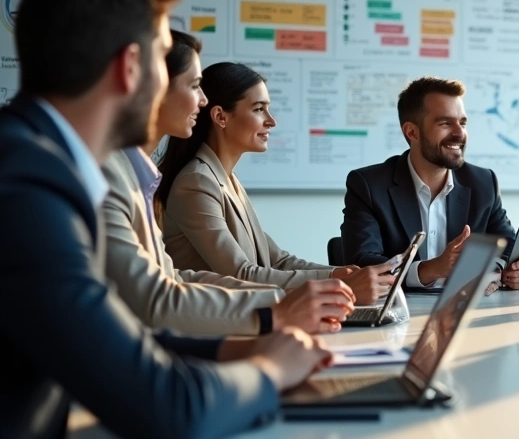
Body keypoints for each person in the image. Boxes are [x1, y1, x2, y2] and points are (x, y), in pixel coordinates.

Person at [0, 0, 330, 438]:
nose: (197, 96)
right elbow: (170, 410)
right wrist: (272, 371)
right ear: (129, 67)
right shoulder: (26, 187)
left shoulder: (37, 160)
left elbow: (116, 335)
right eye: (161, 55)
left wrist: (233, 349)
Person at [101, 30, 356, 335]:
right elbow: (233, 274)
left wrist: (338, 279)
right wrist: (282, 307)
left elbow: (270, 260)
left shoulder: (222, 178)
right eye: (195, 87)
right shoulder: (188, 180)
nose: (203, 100)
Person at [158, 62, 396, 305]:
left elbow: (277, 260)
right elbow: (242, 274)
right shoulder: (196, 182)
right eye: (259, 109)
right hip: (212, 324)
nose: (271, 121)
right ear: (220, 116)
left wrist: (340, 273)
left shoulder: (226, 179)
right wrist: (339, 284)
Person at [340, 76, 519, 291]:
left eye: (462, 122)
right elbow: (361, 261)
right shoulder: (369, 185)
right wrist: (432, 269)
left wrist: (504, 271)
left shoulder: (483, 182)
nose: (459, 133)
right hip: (399, 312)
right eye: (445, 123)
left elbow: (508, 245)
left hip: (467, 309)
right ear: (412, 132)